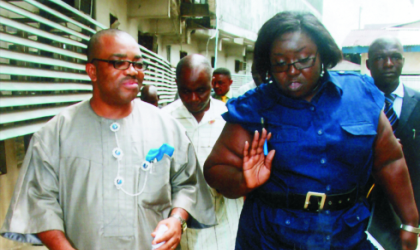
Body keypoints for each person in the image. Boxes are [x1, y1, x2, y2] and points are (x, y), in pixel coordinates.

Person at [203, 11, 419, 250]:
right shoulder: (255, 107)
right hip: (272, 239)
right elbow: (214, 169)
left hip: (346, 234)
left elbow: (390, 161)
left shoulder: (359, 95)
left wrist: (410, 222)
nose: (293, 70)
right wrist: (243, 180)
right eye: (281, 63)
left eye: (304, 59)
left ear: (322, 55)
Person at [0, 29, 216, 250]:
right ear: (92, 71)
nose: (132, 71)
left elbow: (187, 185)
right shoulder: (55, 134)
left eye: (138, 64)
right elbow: (39, 202)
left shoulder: (168, 128)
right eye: (119, 63)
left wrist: (177, 220)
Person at [163, 54, 244, 250]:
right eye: (185, 91)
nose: (193, 98)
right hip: (182, 232)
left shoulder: (231, 118)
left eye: (201, 90)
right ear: (177, 84)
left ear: (212, 82)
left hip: (226, 230)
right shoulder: (164, 120)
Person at [366, 37, 420, 250]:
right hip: (366, 206)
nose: (389, 63)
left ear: (403, 61)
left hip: (410, 205)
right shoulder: (357, 105)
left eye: (395, 57)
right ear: (369, 64)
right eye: (380, 58)